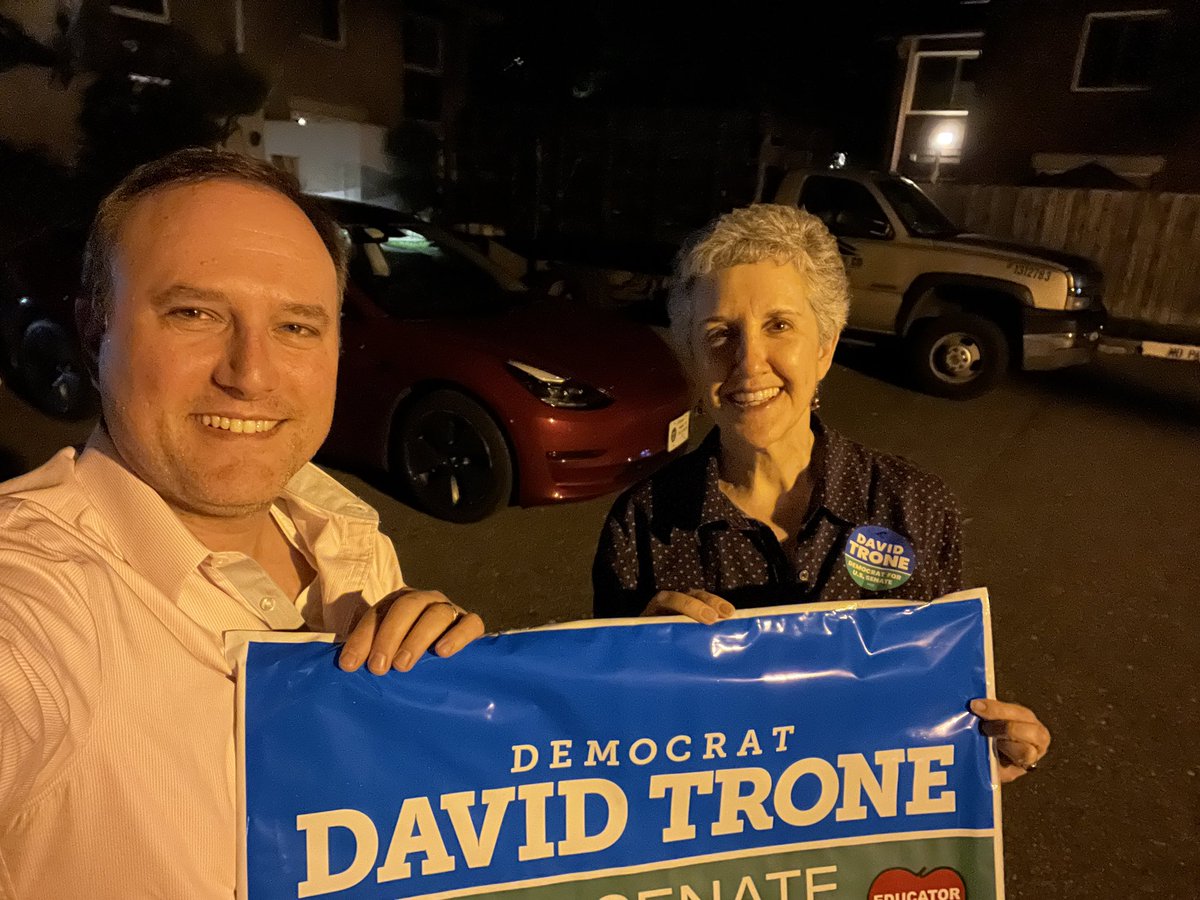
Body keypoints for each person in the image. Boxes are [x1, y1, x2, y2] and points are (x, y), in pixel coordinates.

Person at [0, 149, 484, 898]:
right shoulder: (32, 604)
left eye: (295, 326)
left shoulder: (348, 538)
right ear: (95, 328)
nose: (250, 373)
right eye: (194, 313)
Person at [592, 203, 1049, 782]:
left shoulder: (916, 506)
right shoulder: (642, 524)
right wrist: (635, 668)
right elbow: (608, 744)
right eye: (719, 335)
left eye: (779, 326)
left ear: (825, 347)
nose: (748, 362)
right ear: (691, 357)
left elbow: (936, 701)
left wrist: (980, 753)